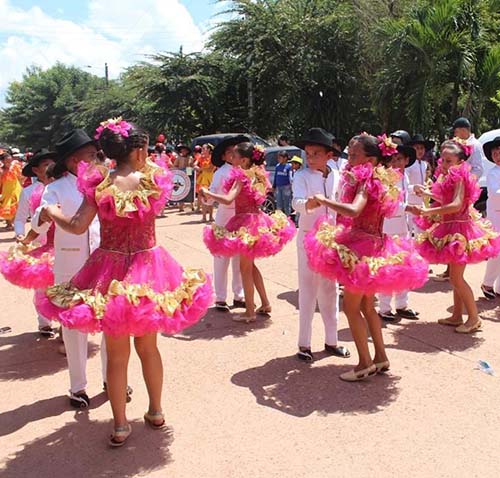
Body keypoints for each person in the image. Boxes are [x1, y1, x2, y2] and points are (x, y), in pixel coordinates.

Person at [36, 118, 213, 447]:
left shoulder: (99, 185)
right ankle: (156, 411)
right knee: (149, 348)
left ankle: (119, 426)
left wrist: (51, 212)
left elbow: (76, 226)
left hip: (109, 271)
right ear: (141, 149)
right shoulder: (154, 179)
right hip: (150, 269)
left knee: (117, 357)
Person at [304, 134, 428, 381]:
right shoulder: (381, 179)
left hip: (360, 248)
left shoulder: (366, 181)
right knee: (367, 307)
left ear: (370, 159)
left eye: (354, 155)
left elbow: (354, 210)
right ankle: (380, 357)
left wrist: (323, 199)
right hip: (375, 245)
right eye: (348, 154)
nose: (349, 159)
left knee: (352, 308)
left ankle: (363, 364)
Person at [31, 128, 107, 408]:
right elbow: (40, 223)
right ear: (76, 161)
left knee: (110, 322)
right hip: (70, 266)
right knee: (75, 329)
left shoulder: (102, 183)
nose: (97, 158)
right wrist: (45, 213)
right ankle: (78, 387)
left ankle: (112, 378)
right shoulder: (55, 188)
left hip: (102, 263)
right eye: (91, 155)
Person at [411, 139, 500, 332]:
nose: (443, 164)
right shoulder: (450, 176)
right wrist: (427, 192)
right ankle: (457, 315)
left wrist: (426, 212)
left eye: (449, 161)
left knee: (457, 278)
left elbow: (457, 204)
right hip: (451, 228)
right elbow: (447, 199)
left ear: (460, 162)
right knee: (454, 276)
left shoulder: (459, 176)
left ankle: (474, 318)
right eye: (442, 160)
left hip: (460, 231)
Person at [202, 142, 296, 322]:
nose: (232, 158)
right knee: (250, 267)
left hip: (246, 223)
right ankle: (265, 303)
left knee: (245, 268)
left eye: (235, 156)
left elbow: (229, 198)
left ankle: (250, 312)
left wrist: (209, 193)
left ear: (244, 160)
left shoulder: (242, 177)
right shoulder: (258, 174)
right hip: (257, 219)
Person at [291, 128, 351, 361]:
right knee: (308, 291)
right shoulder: (302, 176)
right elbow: (296, 203)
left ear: (329, 155)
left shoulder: (336, 173)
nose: (310, 157)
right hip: (309, 237)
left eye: (316, 153)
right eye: (308, 153)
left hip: (332, 238)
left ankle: (331, 341)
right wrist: (310, 203)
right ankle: (304, 344)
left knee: (330, 290)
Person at [1, 149, 57, 336]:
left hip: (64, 245)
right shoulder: (28, 192)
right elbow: (20, 218)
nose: (50, 167)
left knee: (65, 286)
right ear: (35, 170)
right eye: (45, 164)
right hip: (40, 245)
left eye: (52, 163)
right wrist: (19, 234)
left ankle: (66, 326)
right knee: (42, 288)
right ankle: (44, 322)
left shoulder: (63, 186)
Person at [378, 144, 420, 321]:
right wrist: (408, 207)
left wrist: (414, 188)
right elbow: (387, 204)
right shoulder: (385, 178)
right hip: (389, 228)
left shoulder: (404, 177)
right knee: (388, 268)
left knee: (403, 267)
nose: (396, 162)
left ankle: (402, 304)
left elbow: (402, 193)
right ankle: (384, 308)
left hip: (404, 228)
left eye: (400, 159)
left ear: (407, 161)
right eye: (393, 159)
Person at [205, 136, 247, 312]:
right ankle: (220, 297)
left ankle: (239, 295)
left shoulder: (244, 171)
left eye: (235, 151)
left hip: (241, 217)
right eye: (230, 152)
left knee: (239, 259)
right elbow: (211, 196)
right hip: (224, 217)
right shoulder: (220, 173)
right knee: (222, 258)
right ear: (223, 156)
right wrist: (206, 197)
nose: (233, 154)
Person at [480, 137, 500, 299]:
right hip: (497, 216)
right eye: (495, 153)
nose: (498, 156)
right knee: (497, 253)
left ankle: (498, 286)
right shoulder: (493, 172)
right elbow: (495, 194)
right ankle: (487, 282)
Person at [0, 150, 23, 230]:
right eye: (6, 161)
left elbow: (20, 177)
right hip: (6, 191)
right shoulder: (1, 170)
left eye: (10, 160)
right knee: (6, 207)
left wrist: (22, 186)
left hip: (16, 189)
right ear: (3, 161)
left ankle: (14, 224)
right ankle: (9, 224)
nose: (9, 162)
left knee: (16, 207)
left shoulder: (15, 167)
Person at [194, 143, 216, 221]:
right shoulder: (200, 157)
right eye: (202, 149)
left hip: (210, 179)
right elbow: (195, 164)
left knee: (210, 198)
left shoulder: (213, 158)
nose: (202, 150)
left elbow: (211, 168)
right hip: (203, 179)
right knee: (203, 197)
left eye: (204, 148)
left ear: (209, 150)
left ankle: (210, 216)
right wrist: (197, 167)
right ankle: (204, 217)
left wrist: (201, 169)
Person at [273, 151, 293, 216]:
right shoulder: (277, 166)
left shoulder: (289, 166)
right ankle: (279, 218)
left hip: (286, 187)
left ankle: (288, 218)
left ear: (285, 158)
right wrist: (274, 186)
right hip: (278, 187)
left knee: (287, 204)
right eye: (278, 158)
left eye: (280, 158)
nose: (278, 159)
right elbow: (275, 176)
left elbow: (291, 177)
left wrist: (292, 186)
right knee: (279, 203)